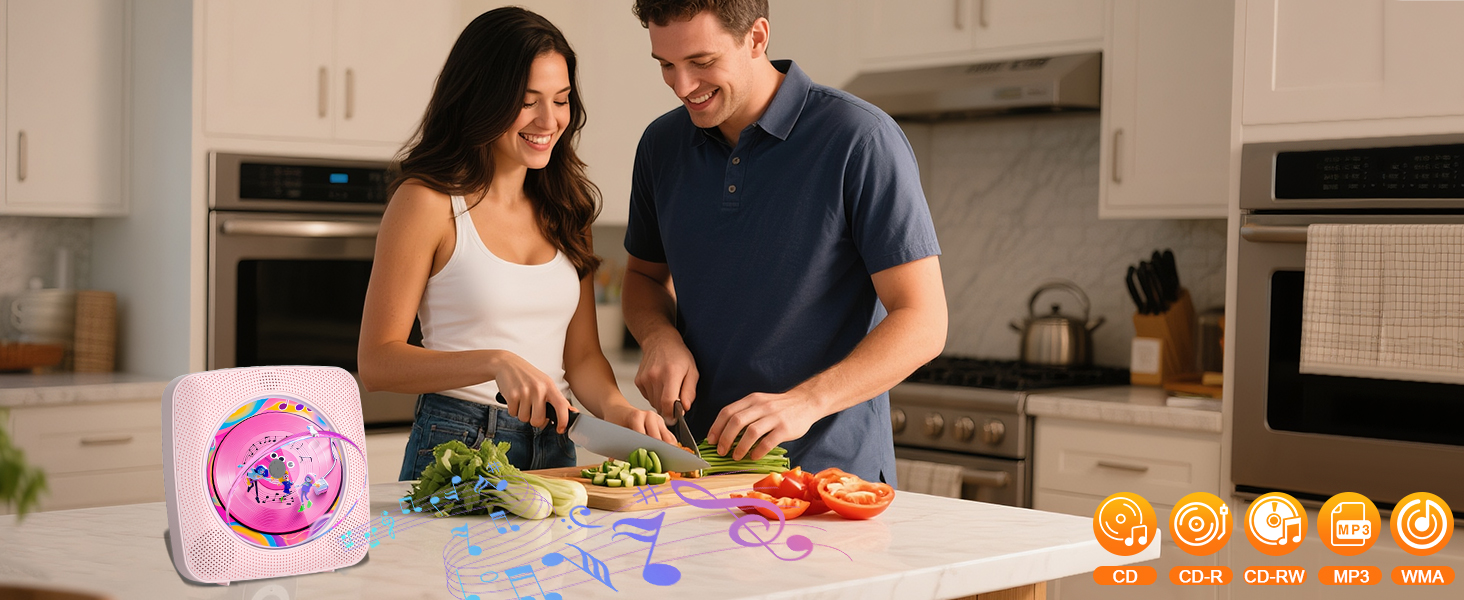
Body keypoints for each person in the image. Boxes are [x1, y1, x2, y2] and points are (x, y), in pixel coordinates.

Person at [622, 0, 948, 485]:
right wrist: (658, 337)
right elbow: (643, 277)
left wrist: (806, 402)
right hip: (700, 471)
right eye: (667, 65)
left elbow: (923, 321)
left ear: (756, 38)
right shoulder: (661, 146)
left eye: (702, 62)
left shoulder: (860, 138)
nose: (682, 86)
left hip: (831, 478)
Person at [358, 7, 675, 480]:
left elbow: (583, 356)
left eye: (562, 99)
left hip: (557, 441)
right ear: (481, 98)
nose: (550, 120)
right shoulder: (427, 202)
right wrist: (495, 362)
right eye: (528, 101)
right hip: (457, 443)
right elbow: (377, 361)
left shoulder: (568, 208)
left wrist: (619, 412)